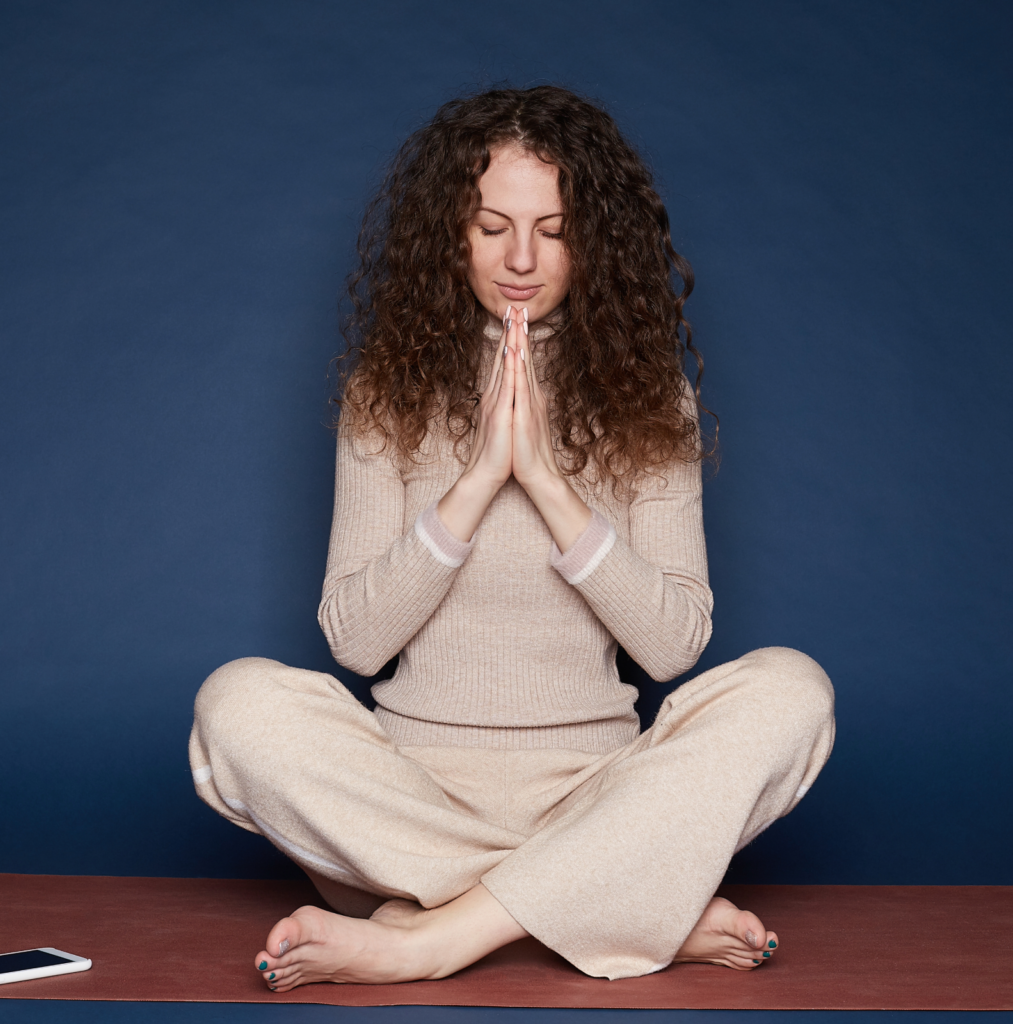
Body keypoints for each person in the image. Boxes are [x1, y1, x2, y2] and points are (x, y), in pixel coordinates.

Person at [188, 86, 835, 991]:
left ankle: (432, 936)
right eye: (492, 226)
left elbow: (672, 646)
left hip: (596, 796)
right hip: (409, 800)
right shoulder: (386, 392)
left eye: (554, 229)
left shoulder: (653, 399)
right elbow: (356, 641)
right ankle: (607, 903)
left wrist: (544, 479)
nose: (521, 258)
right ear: (451, 234)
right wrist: (481, 477)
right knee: (238, 706)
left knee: (791, 692)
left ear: (593, 240)